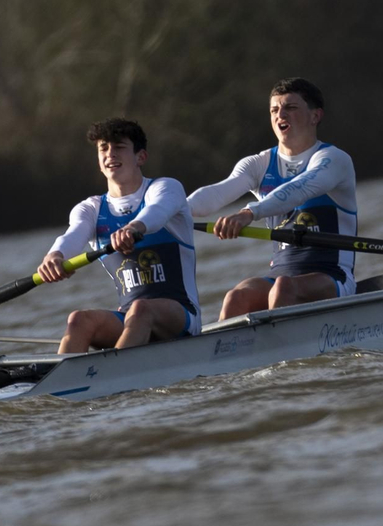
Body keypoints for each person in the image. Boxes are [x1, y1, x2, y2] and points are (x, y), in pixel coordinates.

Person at [187, 78, 358, 320]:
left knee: (284, 288)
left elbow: (299, 189)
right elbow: (217, 193)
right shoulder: (259, 164)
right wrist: (174, 213)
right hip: (279, 277)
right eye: (274, 110)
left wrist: (248, 213)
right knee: (236, 297)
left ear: (315, 116)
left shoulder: (334, 160)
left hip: (332, 277)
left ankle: (281, 355)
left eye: (291, 108)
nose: (281, 115)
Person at [36, 118, 201, 352]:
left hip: (181, 316)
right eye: (104, 148)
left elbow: (157, 211)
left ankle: (113, 371)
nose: (110, 154)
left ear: (140, 157)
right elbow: (74, 234)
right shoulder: (91, 209)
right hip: (130, 320)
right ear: (99, 162)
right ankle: (55, 382)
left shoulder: (165, 188)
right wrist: (55, 255)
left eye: (119, 147)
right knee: (79, 320)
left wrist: (134, 228)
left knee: (142, 308)